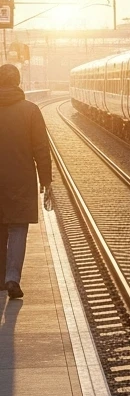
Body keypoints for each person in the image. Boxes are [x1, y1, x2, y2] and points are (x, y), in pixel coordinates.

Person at [0, 63, 52, 298]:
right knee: (18, 228)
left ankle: (1, 279)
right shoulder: (30, 110)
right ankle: (12, 278)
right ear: (18, 82)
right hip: (20, 180)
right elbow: (41, 148)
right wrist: (46, 181)